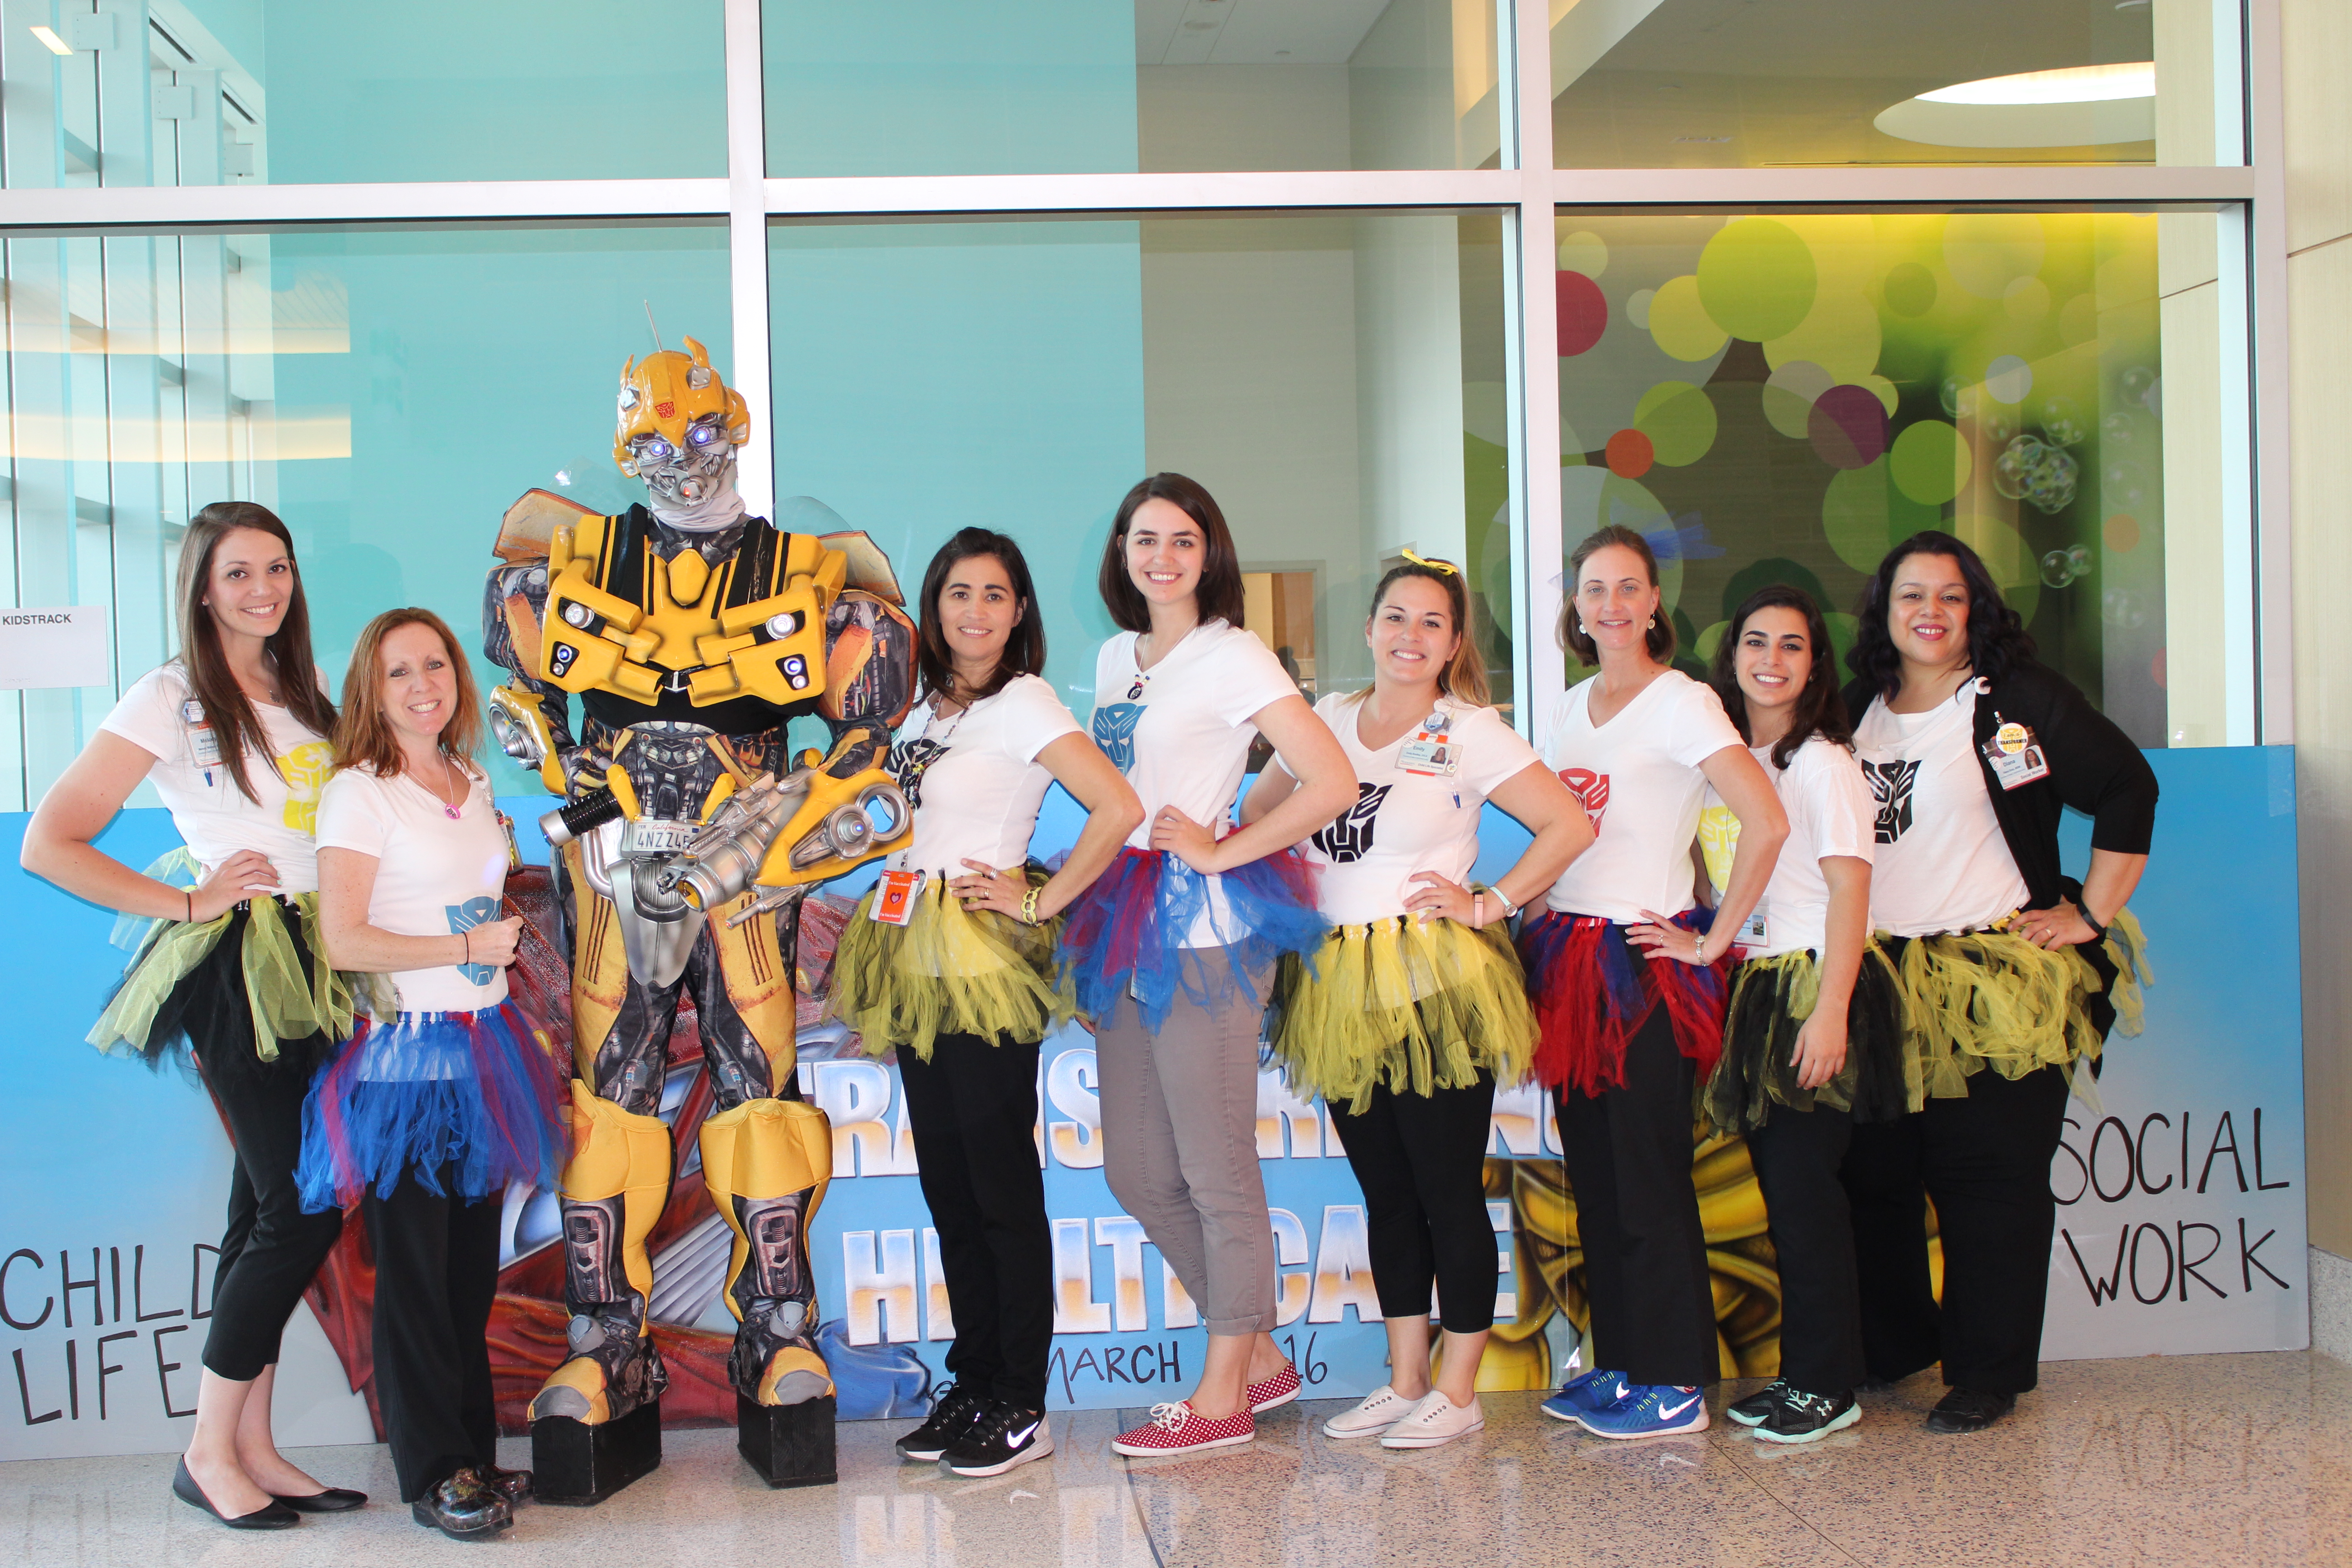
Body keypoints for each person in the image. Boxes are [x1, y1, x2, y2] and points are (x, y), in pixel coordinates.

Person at [479, 335, 915, 1469]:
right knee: (610, 1097)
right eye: (657, 442)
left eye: (703, 433)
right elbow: (524, 705)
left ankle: (777, 1333)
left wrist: (793, 821)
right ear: (630, 449)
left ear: (737, 427)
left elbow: (871, 736)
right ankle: (603, 1340)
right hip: (613, 855)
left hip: (749, 867)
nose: (684, 460)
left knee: (755, 1088)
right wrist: (576, 782)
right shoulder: (564, 562)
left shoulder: (809, 572)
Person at [21, 503, 364, 1530]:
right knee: (302, 1207)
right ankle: (208, 1449)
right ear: (202, 588)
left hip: (326, 958)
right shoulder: (172, 696)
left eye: (277, 568)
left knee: (262, 1210)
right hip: (243, 962)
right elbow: (52, 840)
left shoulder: (301, 690)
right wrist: (184, 900)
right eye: (237, 574)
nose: (263, 589)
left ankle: (252, 1444)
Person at [1247, 554, 1589, 1450]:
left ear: (1454, 642)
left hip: (1436, 984)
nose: (1411, 636)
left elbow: (1569, 825)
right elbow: (1261, 812)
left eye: (1432, 623)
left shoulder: (1470, 730)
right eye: (1396, 617)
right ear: (1368, 628)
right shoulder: (1324, 721)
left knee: (1446, 1191)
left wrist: (1490, 902)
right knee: (1386, 1193)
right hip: (1338, 985)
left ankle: (1460, 1387)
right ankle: (1404, 1382)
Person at [829, 529, 1141, 1478]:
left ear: (1019, 612)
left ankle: (1020, 1402)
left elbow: (1116, 807)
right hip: (911, 949)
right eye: (959, 593)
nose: (975, 611)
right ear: (934, 606)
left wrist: (1040, 899)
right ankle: (973, 1380)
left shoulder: (1026, 702)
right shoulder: (919, 709)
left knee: (1000, 1185)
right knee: (950, 1187)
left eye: (995, 595)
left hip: (980, 957)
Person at [1058, 473, 1356, 1458]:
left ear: (1209, 553)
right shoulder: (1114, 656)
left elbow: (1331, 778)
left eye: (1183, 540)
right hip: (1125, 917)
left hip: (1211, 932)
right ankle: (1261, 1350)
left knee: (1218, 1168)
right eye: (1145, 538)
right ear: (1122, 551)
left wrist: (1225, 848)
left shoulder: (1234, 653)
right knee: (1138, 1170)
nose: (1163, 557)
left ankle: (1224, 1389)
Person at [1839, 531, 2156, 1434]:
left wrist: (2087, 915)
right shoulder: (1859, 705)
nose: (1930, 612)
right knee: (1876, 1174)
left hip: (1992, 979)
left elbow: (2128, 786)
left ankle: (1987, 1373)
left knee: (1991, 1180)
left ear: (1975, 607)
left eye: (1949, 595)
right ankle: (1892, 1347)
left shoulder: (2017, 701)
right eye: (1911, 596)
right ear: (1884, 611)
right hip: (1881, 978)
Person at [294, 608, 564, 1539]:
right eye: (400, 671)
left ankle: (475, 1460)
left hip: (482, 1044)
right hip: (407, 1053)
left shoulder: (471, 779)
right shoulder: (358, 794)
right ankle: (433, 1473)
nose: (424, 685)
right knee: (413, 1272)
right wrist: (461, 940)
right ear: (371, 689)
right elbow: (342, 938)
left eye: (437, 666)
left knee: (465, 1277)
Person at [1520, 524, 1789, 1439]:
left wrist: (1714, 939)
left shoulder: (1684, 704)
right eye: (1595, 590)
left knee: (1648, 1180)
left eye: (1628, 588)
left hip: (1641, 969)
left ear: (1654, 605)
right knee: (1595, 1177)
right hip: (1567, 957)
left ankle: (1675, 1381)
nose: (1611, 606)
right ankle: (1624, 1363)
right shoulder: (1564, 709)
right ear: (1577, 608)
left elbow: (1764, 819)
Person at [1695, 586, 1906, 1445]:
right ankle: (1810, 1374)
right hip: (1765, 982)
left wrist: (1830, 1014)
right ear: (1732, 656)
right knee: (1794, 1197)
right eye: (1756, 642)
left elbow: (1852, 888)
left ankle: (1826, 1386)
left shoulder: (1823, 761)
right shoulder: (1740, 757)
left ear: (1815, 665)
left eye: (1792, 645)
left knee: (1805, 1197)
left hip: (1813, 986)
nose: (1771, 660)